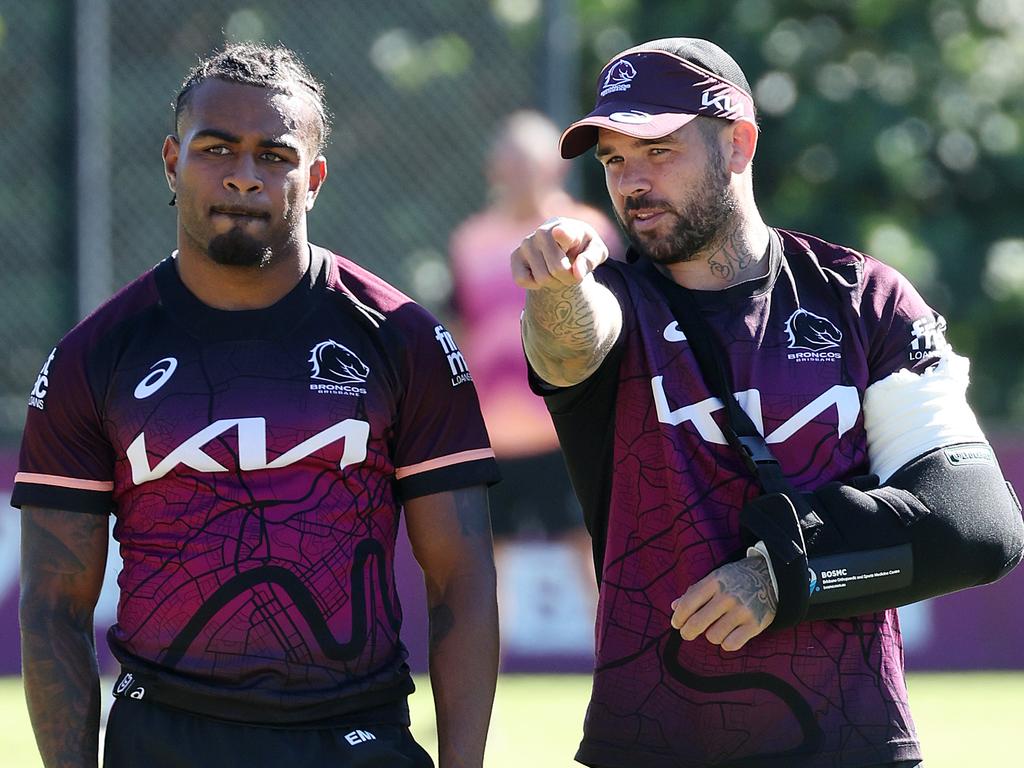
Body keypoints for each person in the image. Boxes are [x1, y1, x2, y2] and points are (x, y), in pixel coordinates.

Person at [511, 37, 1023, 768]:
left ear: (739, 144)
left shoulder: (862, 299)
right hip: (649, 743)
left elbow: (977, 527)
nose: (632, 182)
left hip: (852, 744)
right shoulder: (610, 304)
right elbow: (569, 346)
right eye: (615, 159)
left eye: (659, 148)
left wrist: (783, 575)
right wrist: (555, 292)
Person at [15, 43, 499, 768]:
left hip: (354, 736)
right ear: (174, 162)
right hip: (165, 737)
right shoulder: (95, 355)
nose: (244, 176)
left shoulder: (404, 341)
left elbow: (460, 578)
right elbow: (53, 607)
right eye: (217, 149)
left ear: (315, 178)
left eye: (274, 156)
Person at [448, 111, 621, 642]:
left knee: (588, 552)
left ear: (555, 166)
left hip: (565, 429)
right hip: (493, 436)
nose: (520, 172)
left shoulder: (589, 231)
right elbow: (460, 328)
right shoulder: (471, 240)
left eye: (531, 161)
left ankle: (620, 664)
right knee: (481, 564)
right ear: (494, 167)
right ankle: (480, 685)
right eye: (510, 159)